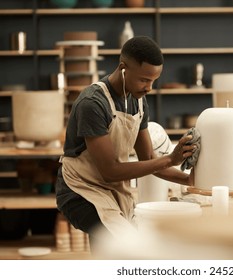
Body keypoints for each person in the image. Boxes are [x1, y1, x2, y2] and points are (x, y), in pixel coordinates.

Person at [55, 36, 196, 246]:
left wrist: (188, 181)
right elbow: (109, 170)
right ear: (123, 68)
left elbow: (148, 158)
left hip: (113, 189)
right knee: (124, 246)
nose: (149, 87)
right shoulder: (93, 103)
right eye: (144, 80)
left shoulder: (138, 101)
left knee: (123, 249)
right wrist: (170, 159)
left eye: (153, 80)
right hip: (80, 189)